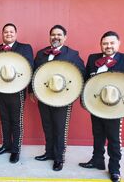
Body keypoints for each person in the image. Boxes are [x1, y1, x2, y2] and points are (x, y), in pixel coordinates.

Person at [30, 25, 85, 171]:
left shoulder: (72, 54)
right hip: (44, 96)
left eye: (59, 35)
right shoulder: (41, 53)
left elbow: (81, 74)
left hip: (63, 98)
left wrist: (74, 93)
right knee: (47, 126)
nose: (56, 37)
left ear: (65, 37)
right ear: (50, 37)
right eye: (53, 35)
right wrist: (31, 91)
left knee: (60, 128)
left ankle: (59, 158)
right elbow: (34, 73)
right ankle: (48, 153)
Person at [79, 31, 124, 182]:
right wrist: (84, 99)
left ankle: (114, 169)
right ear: (101, 45)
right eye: (105, 43)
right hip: (96, 105)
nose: (108, 46)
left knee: (114, 139)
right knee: (98, 135)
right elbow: (87, 80)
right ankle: (97, 161)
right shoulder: (93, 58)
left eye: (112, 43)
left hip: (115, 107)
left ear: (118, 44)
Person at [0, 23, 34, 163]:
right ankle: (6, 145)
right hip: (1, 89)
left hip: (17, 90)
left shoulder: (25, 48)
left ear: (16, 33)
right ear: (2, 34)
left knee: (16, 121)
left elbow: (29, 68)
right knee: (4, 119)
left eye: (11, 32)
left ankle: (16, 150)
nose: (8, 34)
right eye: (6, 32)